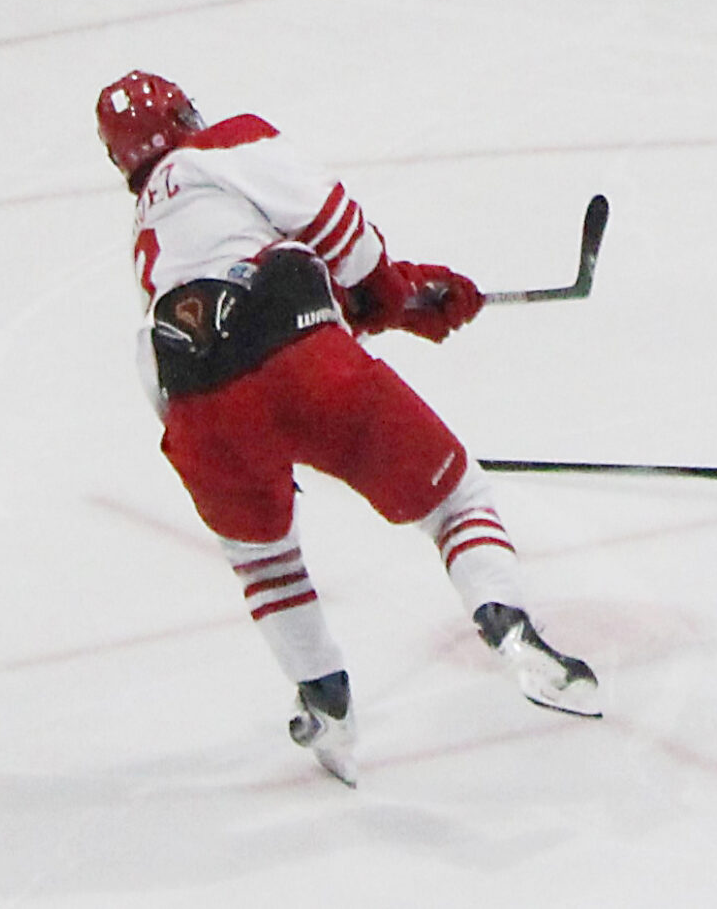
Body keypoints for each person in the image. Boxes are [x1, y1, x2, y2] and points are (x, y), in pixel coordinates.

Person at [95, 70, 600, 786]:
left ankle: (324, 706)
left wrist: (356, 310)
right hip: (307, 368)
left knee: (263, 560)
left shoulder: (151, 240)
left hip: (195, 414)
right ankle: (508, 623)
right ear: (183, 113)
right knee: (456, 501)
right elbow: (337, 229)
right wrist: (391, 289)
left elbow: (225, 309)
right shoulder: (220, 146)